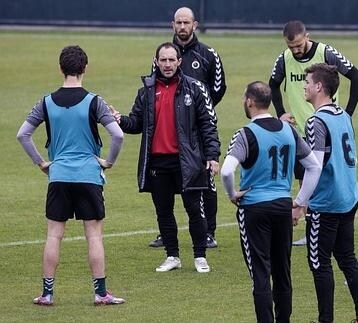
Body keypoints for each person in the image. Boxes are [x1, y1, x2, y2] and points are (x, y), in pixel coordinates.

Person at [16, 45, 125, 305]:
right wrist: (108, 162)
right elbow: (118, 134)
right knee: (94, 236)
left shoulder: (46, 102)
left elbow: (23, 134)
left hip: (59, 175)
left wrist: (42, 163)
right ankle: (100, 294)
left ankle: (47, 293)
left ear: (61, 68)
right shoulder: (94, 101)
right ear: (84, 68)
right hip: (88, 175)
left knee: (54, 235)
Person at [111, 42, 220, 273]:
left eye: (172, 60)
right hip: (158, 163)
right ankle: (172, 255)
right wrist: (119, 119)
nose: (168, 64)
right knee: (164, 211)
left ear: (179, 62)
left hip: (188, 161)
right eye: (164, 60)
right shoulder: (147, 91)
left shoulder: (195, 88)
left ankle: (200, 256)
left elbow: (208, 125)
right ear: (156, 62)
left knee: (194, 210)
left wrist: (212, 156)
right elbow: (136, 123)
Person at [220, 81, 321, 323]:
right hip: (282, 206)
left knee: (260, 273)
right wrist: (299, 201)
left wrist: (232, 194)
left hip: (254, 209)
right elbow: (313, 167)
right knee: (282, 272)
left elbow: (226, 171)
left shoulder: (245, 134)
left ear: (250, 102)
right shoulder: (288, 130)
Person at [269, 20, 358, 247]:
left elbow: (357, 77)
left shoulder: (326, 52)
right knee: (305, 177)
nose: (296, 50)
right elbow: (273, 84)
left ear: (307, 36)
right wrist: (281, 113)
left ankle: (323, 225)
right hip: (300, 130)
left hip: (327, 127)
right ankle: (313, 226)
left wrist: (347, 113)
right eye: (291, 46)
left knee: (323, 174)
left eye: (299, 45)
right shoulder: (284, 58)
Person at [292, 63, 358, 322]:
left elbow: (313, 167)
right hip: (349, 196)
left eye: (307, 82)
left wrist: (300, 202)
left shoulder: (316, 121)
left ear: (318, 87)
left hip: (326, 202)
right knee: (347, 258)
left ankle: (325, 319)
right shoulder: (343, 115)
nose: (304, 86)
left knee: (319, 263)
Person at [149, 6, 226, 249]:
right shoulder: (164, 53)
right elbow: (154, 85)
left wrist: (199, 111)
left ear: (195, 24)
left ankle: (209, 232)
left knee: (205, 181)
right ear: (172, 24)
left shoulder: (208, 54)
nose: (182, 27)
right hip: (171, 131)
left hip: (197, 129)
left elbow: (219, 87)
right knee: (167, 180)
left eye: (187, 23)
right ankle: (166, 232)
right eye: (179, 23)